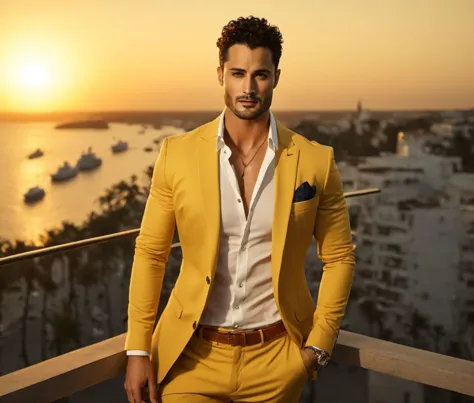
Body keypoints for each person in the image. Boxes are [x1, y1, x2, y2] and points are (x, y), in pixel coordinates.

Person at [124, 15, 355, 403]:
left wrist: (316, 349)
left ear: (276, 77)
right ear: (220, 75)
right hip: (191, 356)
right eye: (237, 73)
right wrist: (138, 349)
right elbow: (150, 253)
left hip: (278, 359)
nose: (248, 88)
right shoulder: (176, 155)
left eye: (260, 75)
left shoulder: (315, 161)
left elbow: (340, 257)